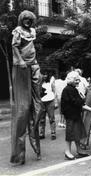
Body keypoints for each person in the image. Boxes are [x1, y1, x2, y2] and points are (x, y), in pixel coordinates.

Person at [10, 10, 42, 165]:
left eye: (30, 19)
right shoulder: (18, 31)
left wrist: (34, 65)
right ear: (21, 19)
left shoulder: (32, 31)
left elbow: (31, 47)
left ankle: (37, 148)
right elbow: (15, 46)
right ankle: (19, 155)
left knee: (38, 107)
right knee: (23, 109)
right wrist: (21, 61)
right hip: (21, 67)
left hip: (33, 66)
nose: (28, 21)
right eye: (26, 18)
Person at [61, 71, 91, 160]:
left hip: (75, 115)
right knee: (70, 134)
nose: (78, 82)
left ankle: (79, 149)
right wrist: (89, 106)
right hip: (71, 116)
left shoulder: (72, 89)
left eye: (78, 80)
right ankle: (67, 151)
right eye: (76, 80)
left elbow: (79, 103)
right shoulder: (69, 90)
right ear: (71, 80)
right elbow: (77, 103)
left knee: (77, 133)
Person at [39, 70, 57, 140]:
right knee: (41, 119)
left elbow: (54, 90)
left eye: (46, 74)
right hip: (42, 102)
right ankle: (41, 133)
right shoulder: (39, 81)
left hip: (50, 101)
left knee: (51, 118)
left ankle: (53, 133)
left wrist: (55, 100)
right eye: (43, 74)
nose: (45, 76)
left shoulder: (51, 79)